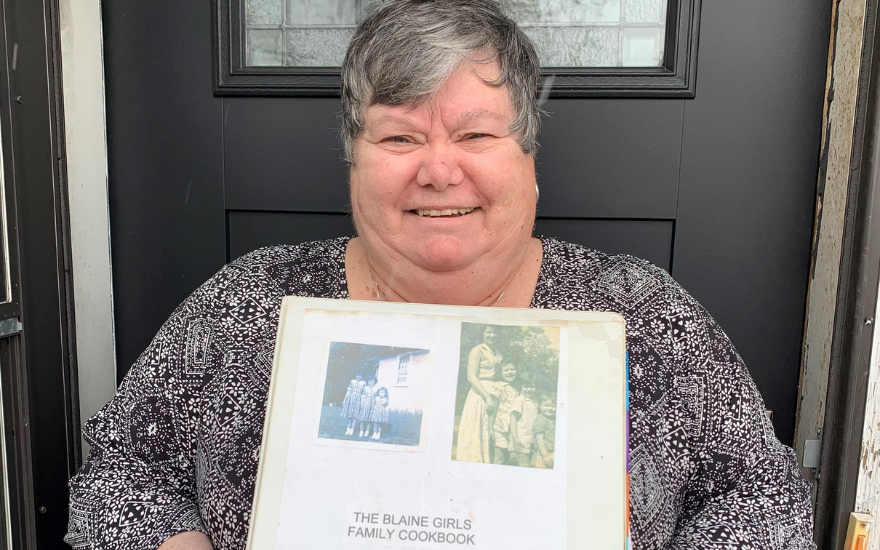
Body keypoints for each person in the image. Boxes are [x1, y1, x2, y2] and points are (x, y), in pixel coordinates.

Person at [65, 0, 815, 548]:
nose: (438, 170)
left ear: (529, 160)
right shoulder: (245, 304)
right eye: (400, 138)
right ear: (353, 161)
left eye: (475, 134)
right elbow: (120, 472)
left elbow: (762, 498)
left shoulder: (643, 316)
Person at [454, 325, 503, 463]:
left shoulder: (498, 353)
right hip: (481, 393)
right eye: (489, 332)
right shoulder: (477, 350)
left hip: (495, 392)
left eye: (495, 332)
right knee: (477, 428)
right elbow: (471, 377)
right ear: (483, 333)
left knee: (491, 429)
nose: (492, 335)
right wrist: (487, 396)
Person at [509, 371, 539, 467]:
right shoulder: (519, 400)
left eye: (532, 386)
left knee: (532, 465)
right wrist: (515, 439)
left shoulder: (535, 401)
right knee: (523, 466)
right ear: (520, 387)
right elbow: (513, 420)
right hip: (521, 439)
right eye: (526, 386)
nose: (529, 389)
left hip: (532, 439)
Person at [491, 363, 518, 465]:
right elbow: (492, 408)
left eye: (512, 369)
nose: (509, 372)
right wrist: (490, 428)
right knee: (499, 458)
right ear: (501, 373)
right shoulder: (498, 386)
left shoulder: (518, 387)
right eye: (506, 370)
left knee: (510, 458)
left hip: (514, 428)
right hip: (500, 427)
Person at [532, 391, 556, 469]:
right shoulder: (541, 419)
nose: (549, 408)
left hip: (552, 451)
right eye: (546, 405)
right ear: (539, 406)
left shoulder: (553, 418)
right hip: (544, 453)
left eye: (553, 406)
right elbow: (539, 439)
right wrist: (545, 456)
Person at [341, 371, 365, 436]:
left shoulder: (363, 383)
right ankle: (348, 429)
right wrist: (344, 400)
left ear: (362, 376)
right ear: (355, 376)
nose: (358, 377)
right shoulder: (352, 381)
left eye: (360, 375)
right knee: (349, 416)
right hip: (350, 399)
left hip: (358, 400)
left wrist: (362, 402)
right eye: (357, 375)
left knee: (355, 416)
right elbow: (348, 391)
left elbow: (363, 394)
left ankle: (352, 429)